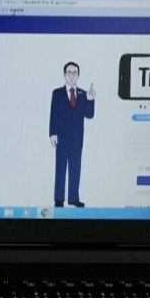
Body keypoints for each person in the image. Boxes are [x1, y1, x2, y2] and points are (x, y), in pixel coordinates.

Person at [49, 62, 95, 207]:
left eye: (74, 72)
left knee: (75, 169)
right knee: (60, 168)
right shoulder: (57, 93)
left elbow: (89, 115)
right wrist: (52, 133)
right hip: (61, 137)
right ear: (64, 75)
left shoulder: (82, 94)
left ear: (78, 75)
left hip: (77, 138)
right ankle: (59, 199)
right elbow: (53, 114)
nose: (71, 75)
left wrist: (90, 99)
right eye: (69, 72)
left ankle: (73, 198)